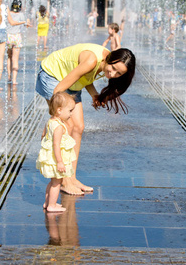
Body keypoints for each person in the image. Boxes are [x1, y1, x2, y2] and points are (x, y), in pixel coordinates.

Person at [35, 44, 136, 195]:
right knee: (66, 128)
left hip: (70, 81)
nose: (113, 74)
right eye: (114, 69)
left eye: (118, 74)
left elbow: (85, 76)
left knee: (79, 127)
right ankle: (65, 182)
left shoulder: (104, 61)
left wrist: (94, 94)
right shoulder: (92, 60)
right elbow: (58, 91)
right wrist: (53, 120)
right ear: (111, 58)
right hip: (53, 76)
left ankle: (72, 178)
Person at [36, 92, 76, 212]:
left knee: (53, 181)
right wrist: (59, 162)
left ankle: (48, 202)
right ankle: (51, 205)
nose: (71, 113)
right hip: (56, 159)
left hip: (50, 158)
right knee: (56, 183)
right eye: (70, 110)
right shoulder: (59, 126)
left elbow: (43, 136)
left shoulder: (50, 121)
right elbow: (56, 145)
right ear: (59, 110)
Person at [6, 0, 30, 85]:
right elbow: (25, 25)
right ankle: (14, 80)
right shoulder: (21, 15)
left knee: (9, 57)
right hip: (17, 37)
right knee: (15, 59)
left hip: (8, 37)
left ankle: (9, 76)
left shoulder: (8, 13)